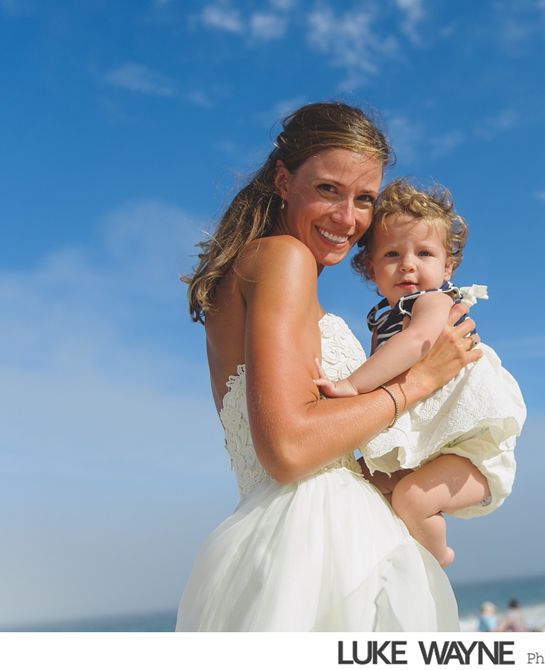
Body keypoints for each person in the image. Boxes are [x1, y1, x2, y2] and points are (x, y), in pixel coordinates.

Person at [175, 102, 481, 631]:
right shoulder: (282, 260)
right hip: (322, 545)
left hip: (274, 536)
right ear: (282, 179)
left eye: (364, 199)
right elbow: (290, 450)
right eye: (327, 190)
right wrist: (418, 382)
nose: (348, 218)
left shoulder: (242, 273)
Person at [315, 179, 525, 568]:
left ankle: (438, 558)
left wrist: (352, 385)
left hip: (471, 451)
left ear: (447, 266)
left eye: (424, 253)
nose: (408, 263)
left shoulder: (432, 302)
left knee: (412, 498)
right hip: (429, 447)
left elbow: (417, 345)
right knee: (356, 484)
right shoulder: (384, 322)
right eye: (392, 253)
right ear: (369, 268)